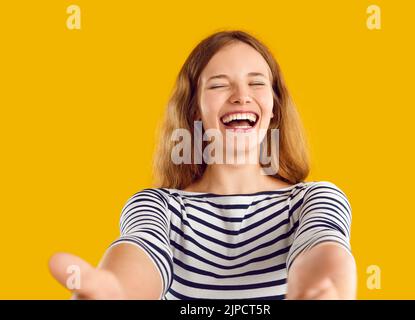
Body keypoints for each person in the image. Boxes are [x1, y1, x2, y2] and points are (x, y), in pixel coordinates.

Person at [48, 30, 356, 300]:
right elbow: (141, 248)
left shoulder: (312, 200)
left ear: (274, 106)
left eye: (257, 83)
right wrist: (115, 290)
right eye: (219, 85)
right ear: (195, 109)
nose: (241, 96)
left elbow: (323, 245)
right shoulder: (160, 207)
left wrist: (322, 288)